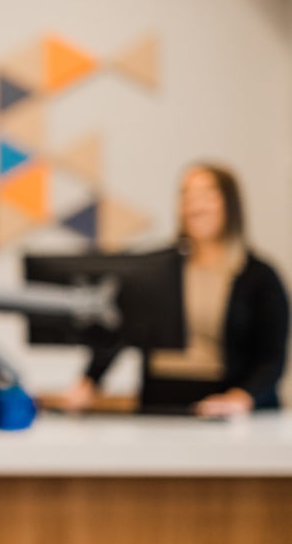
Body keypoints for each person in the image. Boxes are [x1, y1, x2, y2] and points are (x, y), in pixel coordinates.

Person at [49, 162, 289, 417]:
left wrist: (241, 399)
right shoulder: (155, 269)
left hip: (225, 408)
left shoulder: (259, 277)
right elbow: (120, 331)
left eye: (207, 195)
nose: (195, 204)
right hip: (160, 403)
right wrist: (88, 383)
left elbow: (271, 358)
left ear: (230, 204)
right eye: (187, 194)